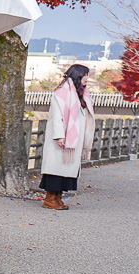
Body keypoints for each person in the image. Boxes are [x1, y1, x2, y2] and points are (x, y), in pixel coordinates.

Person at [39, 64, 94, 210]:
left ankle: (58, 198)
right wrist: (59, 136)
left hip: (73, 139)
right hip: (62, 138)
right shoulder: (61, 93)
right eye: (85, 75)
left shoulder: (80, 93)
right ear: (77, 75)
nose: (87, 78)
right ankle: (50, 198)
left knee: (65, 169)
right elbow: (56, 116)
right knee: (56, 169)